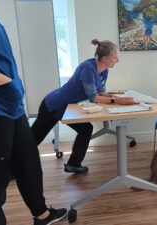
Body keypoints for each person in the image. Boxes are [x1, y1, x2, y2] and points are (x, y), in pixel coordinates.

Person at [0, 7, 67, 225]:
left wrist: (13, 88)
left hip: (12, 105)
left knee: (28, 161)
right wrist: (8, 83)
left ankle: (42, 214)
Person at [31, 39, 134, 174]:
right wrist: (117, 101)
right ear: (105, 58)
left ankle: (73, 165)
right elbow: (94, 97)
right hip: (54, 105)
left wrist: (116, 97)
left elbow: (100, 92)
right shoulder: (87, 68)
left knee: (86, 129)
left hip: (66, 106)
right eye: (115, 57)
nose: (117, 60)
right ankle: (10, 169)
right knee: (32, 140)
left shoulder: (105, 70)